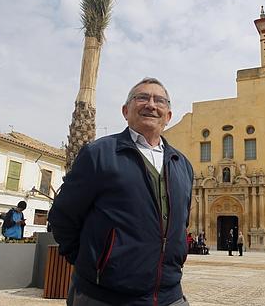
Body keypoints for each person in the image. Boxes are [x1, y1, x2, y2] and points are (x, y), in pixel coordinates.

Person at [48, 78, 194, 306]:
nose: (151, 104)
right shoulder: (99, 154)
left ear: (168, 115)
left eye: (160, 101)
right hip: (103, 297)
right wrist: (94, 266)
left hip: (170, 297)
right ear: (126, 111)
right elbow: (63, 217)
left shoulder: (182, 164)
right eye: (142, 97)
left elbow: (181, 222)